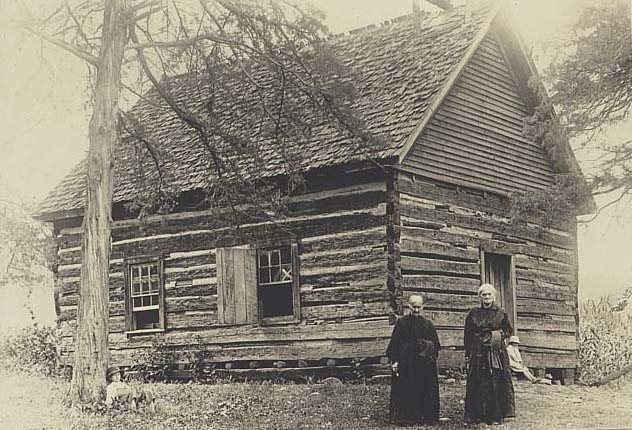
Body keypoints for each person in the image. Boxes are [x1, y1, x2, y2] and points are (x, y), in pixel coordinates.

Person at [464, 284, 515, 425]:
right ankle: (477, 415)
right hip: (478, 351)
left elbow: (508, 331)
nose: (487, 297)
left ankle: (496, 415)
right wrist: (468, 352)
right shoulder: (473, 313)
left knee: (496, 380)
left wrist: (496, 335)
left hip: (495, 351)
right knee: (478, 380)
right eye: (484, 295)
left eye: (489, 295)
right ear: (480, 297)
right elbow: (467, 334)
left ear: (494, 296)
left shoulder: (501, 313)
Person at [386, 295, 441, 425]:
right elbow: (394, 343)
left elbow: (436, 345)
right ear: (409, 306)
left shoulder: (428, 324)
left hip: (423, 364)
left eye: (419, 307)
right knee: (406, 388)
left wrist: (427, 347)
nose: (416, 310)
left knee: (424, 388)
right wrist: (395, 360)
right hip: (407, 363)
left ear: (423, 307)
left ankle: (426, 416)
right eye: (413, 307)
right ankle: (405, 417)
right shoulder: (402, 323)